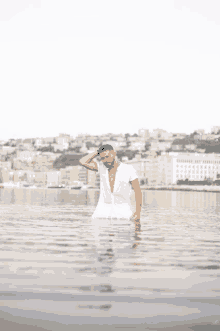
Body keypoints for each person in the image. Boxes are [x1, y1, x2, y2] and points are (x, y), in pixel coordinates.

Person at [79, 144, 142, 220]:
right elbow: (82, 161)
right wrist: (97, 152)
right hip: (101, 213)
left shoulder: (128, 169)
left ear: (114, 154)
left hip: (123, 214)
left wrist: (137, 212)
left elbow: (138, 191)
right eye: (102, 158)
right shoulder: (101, 168)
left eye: (107, 157)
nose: (105, 160)